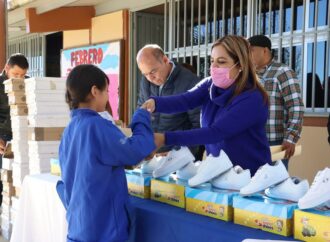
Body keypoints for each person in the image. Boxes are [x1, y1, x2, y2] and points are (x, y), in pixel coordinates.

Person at [142, 35, 271, 175]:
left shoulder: (252, 98)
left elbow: (216, 133)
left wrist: (165, 138)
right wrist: (154, 103)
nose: (214, 67)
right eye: (212, 61)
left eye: (221, 62)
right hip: (219, 174)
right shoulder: (210, 85)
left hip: (251, 176)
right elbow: (186, 100)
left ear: (240, 64)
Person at [58, 64, 155, 242]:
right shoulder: (96, 126)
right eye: (106, 91)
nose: (107, 96)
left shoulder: (70, 128)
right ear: (95, 91)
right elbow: (134, 151)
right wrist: (141, 117)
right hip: (103, 227)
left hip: (80, 223)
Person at [136, 44, 202, 159]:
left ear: (165, 60)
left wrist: (179, 154)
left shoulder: (190, 82)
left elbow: (199, 126)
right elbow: (140, 110)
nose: (150, 78)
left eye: (152, 72)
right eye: (145, 74)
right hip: (151, 156)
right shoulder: (146, 81)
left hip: (179, 158)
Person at [248, 35, 304, 168]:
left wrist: (290, 138)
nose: (247, 55)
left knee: (274, 185)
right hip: (252, 140)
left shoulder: (282, 72)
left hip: (275, 143)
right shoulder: (249, 76)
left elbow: (295, 107)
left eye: (251, 50)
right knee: (251, 183)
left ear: (265, 50)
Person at [0, 53, 29, 155]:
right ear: (7, 68)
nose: (19, 79)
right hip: (3, 136)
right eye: (16, 74)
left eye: (23, 75)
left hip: (23, 133)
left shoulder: (29, 83)